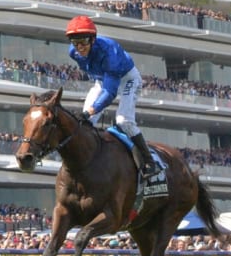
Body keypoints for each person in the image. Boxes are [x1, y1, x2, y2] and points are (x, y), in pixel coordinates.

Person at [66, 15, 162, 178]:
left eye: (83, 42)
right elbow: (101, 81)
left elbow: (110, 92)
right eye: (75, 43)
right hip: (103, 79)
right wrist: (89, 114)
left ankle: (149, 162)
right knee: (86, 123)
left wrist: (91, 110)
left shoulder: (110, 52)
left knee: (123, 121)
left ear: (93, 39)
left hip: (127, 78)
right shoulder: (73, 53)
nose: (79, 47)